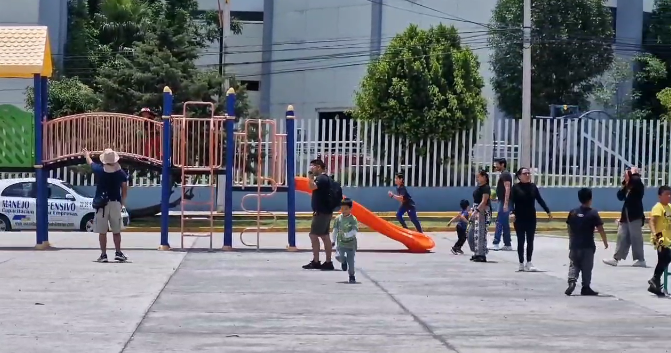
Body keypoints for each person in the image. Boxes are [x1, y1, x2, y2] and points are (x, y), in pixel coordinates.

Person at [84, 148, 129, 262]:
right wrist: (123, 202)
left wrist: (87, 155)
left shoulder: (100, 170)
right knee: (116, 231)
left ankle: (103, 255)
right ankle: (118, 252)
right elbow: (124, 187)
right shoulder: (120, 173)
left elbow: (90, 163)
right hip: (115, 203)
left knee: (102, 232)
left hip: (102, 204)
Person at [565, 188, 608, 296]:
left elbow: (569, 226)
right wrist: (605, 242)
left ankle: (572, 281)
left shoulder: (573, 212)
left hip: (575, 244)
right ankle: (586, 287)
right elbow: (600, 228)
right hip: (587, 245)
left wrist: (571, 238)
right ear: (590, 199)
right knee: (587, 267)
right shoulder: (593, 213)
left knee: (574, 264)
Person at [510, 167, 551, 272]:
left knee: (530, 240)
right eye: (525, 173)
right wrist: (512, 212)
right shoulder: (515, 187)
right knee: (520, 240)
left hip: (531, 217)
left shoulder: (533, 187)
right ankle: (520, 263)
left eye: (529, 173)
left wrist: (547, 211)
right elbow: (511, 202)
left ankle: (529, 262)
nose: (527, 175)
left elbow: (539, 199)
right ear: (519, 176)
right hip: (519, 218)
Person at [603, 167, 646, 267]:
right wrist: (624, 183)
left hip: (635, 215)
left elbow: (636, 180)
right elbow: (620, 196)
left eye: (626, 173)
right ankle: (616, 258)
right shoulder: (628, 185)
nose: (624, 175)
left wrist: (633, 174)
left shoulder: (638, 184)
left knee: (636, 238)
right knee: (621, 236)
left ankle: (640, 259)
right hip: (625, 215)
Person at [302, 158, 335, 270]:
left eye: (313, 167)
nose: (311, 169)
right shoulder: (325, 178)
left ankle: (317, 261)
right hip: (325, 211)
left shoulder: (321, 178)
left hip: (321, 212)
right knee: (325, 236)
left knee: (314, 235)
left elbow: (311, 187)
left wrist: (310, 177)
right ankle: (327, 262)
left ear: (319, 167)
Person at [647, 186, 671, 296]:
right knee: (665, 257)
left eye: (670, 194)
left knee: (664, 259)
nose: (669, 196)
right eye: (666, 194)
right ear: (660, 196)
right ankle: (655, 279)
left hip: (668, 238)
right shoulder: (658, 207)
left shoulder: (669, 207)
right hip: (660, 237)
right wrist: (654, 234)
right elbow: (652, 221)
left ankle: (655, 284)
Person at [332, 198, 359, 283]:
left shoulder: (353, 219)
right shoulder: (338, 219)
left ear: (350, 209)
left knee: (351, 261)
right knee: (338, 256)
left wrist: (348, 235)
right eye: (342, 209)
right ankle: (343, 261)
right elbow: (335, 230)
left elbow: (355, 231)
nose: (344, 211)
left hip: (351, 244)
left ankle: (351, 275)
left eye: (346, 209)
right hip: (341, 243)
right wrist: (333, 240)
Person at [467, 170, 492, 262]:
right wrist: (472, 209)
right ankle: (476, 252)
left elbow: (484, 201)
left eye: (479, 176)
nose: (477, 178)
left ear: (484, 177)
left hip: (482, 211)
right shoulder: (479, 187)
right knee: (471, 233)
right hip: (476, 209)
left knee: (480, 233)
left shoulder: (486, 188)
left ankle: (481, 254)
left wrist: (477, 210)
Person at [491, 158, 513, 251]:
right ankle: (507, 244)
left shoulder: (505, 174)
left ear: (502, 164)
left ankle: (496, 242)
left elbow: (508, 188)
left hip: (505, 202)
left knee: (499, 221)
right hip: (502, 200)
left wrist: (505, 203)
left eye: (497, 164)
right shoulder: (504, 174)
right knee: (504, 223)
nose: (495, 166)